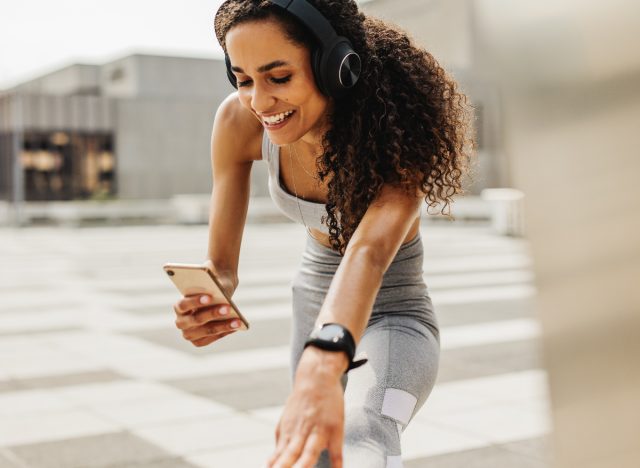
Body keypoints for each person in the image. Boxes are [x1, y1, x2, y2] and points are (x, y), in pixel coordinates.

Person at [172, 0, 474, 466]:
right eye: (244, 79)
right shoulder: (238, 122)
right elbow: (223, 268)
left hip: (394, 311)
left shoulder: (399, 137)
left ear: (336, 67)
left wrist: (323, 357)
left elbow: (369, 253)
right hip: (312, 301)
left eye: (279, 77)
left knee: (365, 436)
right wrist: (209, 297)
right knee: (314, 452)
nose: (259, 101)